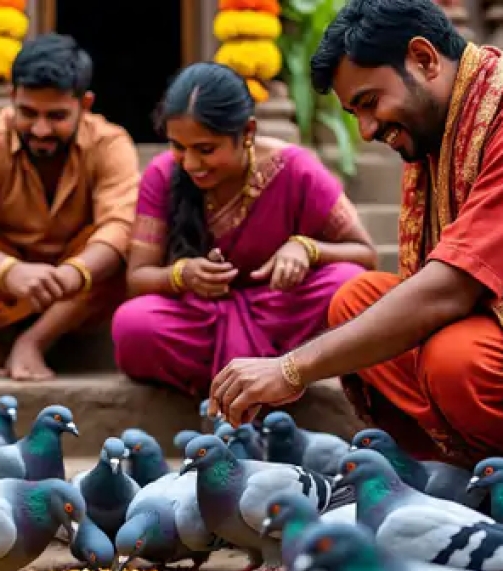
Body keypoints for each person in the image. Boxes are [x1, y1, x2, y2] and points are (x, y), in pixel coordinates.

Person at [208, 0, 503, 472]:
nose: (367, 130)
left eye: (370, 103)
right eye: (354, 114)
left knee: (456, 360)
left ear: (424, 59)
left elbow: (451, 288)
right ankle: (445, 475)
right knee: (356, 300)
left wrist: (290, 368)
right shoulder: (441, 134)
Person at [111, 62, 376, 398]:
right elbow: (138, 278)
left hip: (279, 309)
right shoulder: (162, 174)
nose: (191, 163)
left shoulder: (297, 168)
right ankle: (260, 374)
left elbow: (364, 255)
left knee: (348, 284)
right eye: (179, 147)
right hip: (199, 318)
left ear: (247, 132)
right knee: (133, 325)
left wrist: (305, 249)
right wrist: (184, 275)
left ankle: (273, 373)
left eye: (206, 149)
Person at [0, 33, 138, 381]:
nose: (41, 129)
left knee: (126, 251)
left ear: (86, 104)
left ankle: (33, 342)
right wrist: (7, 271)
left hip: (76, 288)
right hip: (1, 282)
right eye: (28, 113)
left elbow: (121, 225)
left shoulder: (111, 143)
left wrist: (73, 274)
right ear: (11, 98)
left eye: (57, 116)